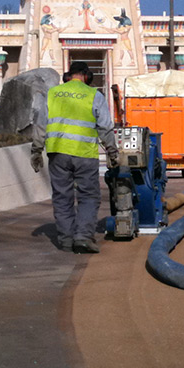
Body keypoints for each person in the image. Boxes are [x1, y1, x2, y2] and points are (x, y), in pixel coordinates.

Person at [30, 61, 118, 253]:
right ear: (86, 77)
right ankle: (83, 237)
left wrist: (36, 150)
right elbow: (105, 127)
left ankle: (67, 239)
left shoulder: (52, 94)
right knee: (88, 196)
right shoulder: (94, 95)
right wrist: (112, 151)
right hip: (84, 153)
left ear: (68, 76)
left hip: (58, 153)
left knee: (62, 197)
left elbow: (40, 124)